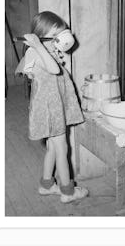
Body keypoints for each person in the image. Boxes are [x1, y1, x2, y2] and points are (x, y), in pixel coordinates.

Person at [15, 11, 88, 203]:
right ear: (43, 35)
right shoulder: (35, 52)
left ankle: (46, 185)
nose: (59, 40)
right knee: (62, 149)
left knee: (53, 149)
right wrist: (39, 46)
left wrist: (49, 47)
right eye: (56, 36)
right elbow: (54, 70)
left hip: (53, 106)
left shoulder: (46, 51)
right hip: (50, 110)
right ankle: (68, 192)